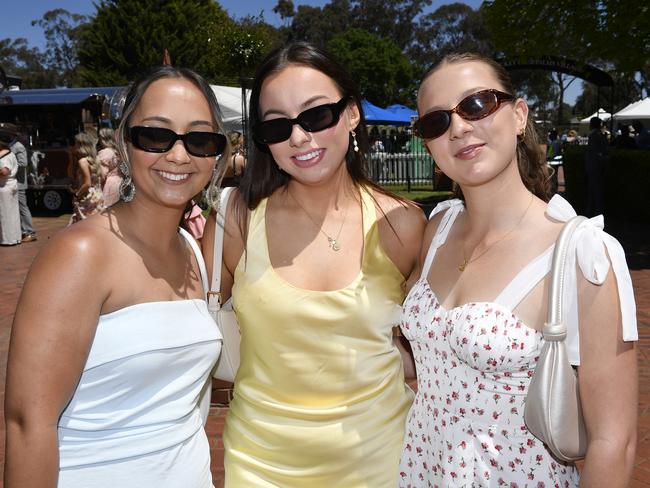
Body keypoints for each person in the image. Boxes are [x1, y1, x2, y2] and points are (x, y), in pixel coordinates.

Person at [398, 52, 637, 487]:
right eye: (435, 122)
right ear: (429, 144)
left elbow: (613, 442)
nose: (459, 127)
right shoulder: (438, 227)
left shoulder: (583, 254)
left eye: (476, 105)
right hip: (421, 473)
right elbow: (426, 360)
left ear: (519, 115)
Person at [202, 42, 424, 487]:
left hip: (381, 460)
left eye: (317, 115)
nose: (299, 137)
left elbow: (425, 351)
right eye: (277, 126)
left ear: (352, 114)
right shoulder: (237, 221)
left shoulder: (401, 224)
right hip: (261, 464)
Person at [4, 65, 230, 488]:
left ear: (215, 153)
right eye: (156, 135)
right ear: (125, 144)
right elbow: (28, 424)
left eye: (199, 139)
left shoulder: (193, 252)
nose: (179, 155)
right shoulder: (82, 253)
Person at [0, 124, 37, 242]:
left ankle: (29, 231)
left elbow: (23, 163)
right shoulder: (10, 145)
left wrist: (11, 164)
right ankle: (20, 232)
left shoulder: (18, 146)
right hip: (12, 181)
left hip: (18, 181)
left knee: (22, 207)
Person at [68, 132, 105, 224]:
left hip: (86, 197)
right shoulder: (96, 159)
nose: (74, 146)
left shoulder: (82, 162)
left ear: (81, 145)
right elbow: (103, 177)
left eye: (75, 143)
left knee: (82, 226)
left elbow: (87, 183)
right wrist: (72, 157)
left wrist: (77, 195)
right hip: (97, 196)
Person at [585, 116, 608, 217]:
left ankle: (597, 211)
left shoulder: (594, 135)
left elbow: (594, 153)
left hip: (594, 167)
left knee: (595, 190)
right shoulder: (600, 135)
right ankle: (592, 209)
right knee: (594, 190)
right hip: (596, 167)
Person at [0, 138, 22, 246]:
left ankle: (8, 239)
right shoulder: (11, 154)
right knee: (13, 213)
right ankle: (15, 238)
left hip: (5, 186)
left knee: (5, 214)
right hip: (11, 184)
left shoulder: (3, 156)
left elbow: (4, 171)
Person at [97, 127, 123, 206]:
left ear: (103, 139)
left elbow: (103, 174)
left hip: (109, 186)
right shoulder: (118, 151)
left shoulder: (105, 152)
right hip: (120, 182)